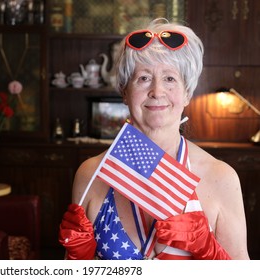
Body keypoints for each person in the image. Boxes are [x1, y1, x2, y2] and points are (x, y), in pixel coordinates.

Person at [58, 18, 249, 260]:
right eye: (144, 78)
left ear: (187, 93)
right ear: (124, 92)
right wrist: (76, 260)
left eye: (170, 79)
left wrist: (210, 252)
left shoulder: (222, 178)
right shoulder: (91, 174)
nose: (157, 91)